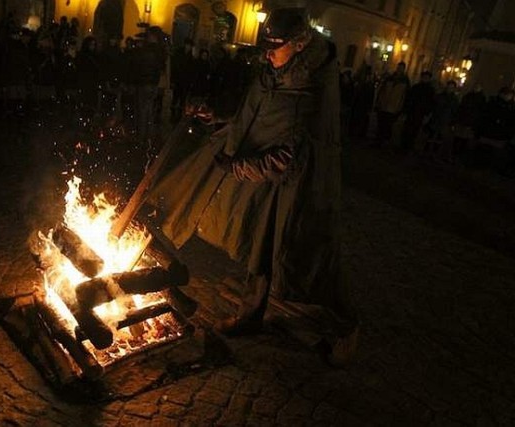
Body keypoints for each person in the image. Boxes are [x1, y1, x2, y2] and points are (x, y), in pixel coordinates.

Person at [148, 7, 358, 366]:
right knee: (260, 246)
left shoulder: (314, 87)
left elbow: (292, 154)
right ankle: (250, 315)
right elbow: (253, 115)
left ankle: (340, 328)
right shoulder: (272, 73)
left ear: (300, 43)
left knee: (300, 258)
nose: (268, 53)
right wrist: (216, 114)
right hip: (265, 181)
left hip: (298, 188)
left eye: (275, 46)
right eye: (266, 46)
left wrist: (239, 167)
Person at [374, 61, 410, 147]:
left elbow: (405, 96)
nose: (399, 69)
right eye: (399, 67)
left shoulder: (405, 81)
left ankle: (385, 141)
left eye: (401, 68)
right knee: (381, 124)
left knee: (388, 125)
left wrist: (401, 108)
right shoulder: (390, 78)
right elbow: (382, 90)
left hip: (394, 107)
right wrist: (379, 102)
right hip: (384, 105)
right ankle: (378, 140)